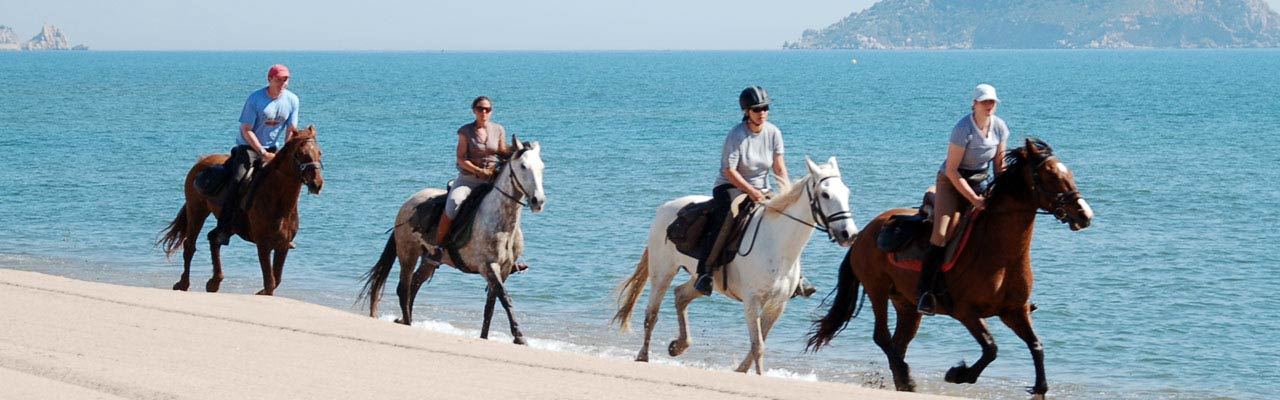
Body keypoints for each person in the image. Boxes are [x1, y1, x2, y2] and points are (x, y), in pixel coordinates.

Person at [693, 86, 801, 296]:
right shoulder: (737, 134)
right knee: (728, 216)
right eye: (756, 109)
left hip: (762, 188)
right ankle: (705, 272)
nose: (762, 113)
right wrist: (751, 191)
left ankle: (796, 276)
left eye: (765, 108)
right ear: (746, 112)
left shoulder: (773, 132)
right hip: (730, 186)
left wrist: (787, 194)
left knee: (788, 222)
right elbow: (729, 170)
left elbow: (779, 167)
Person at [917, 83, 1010, 315]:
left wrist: (1002, 195)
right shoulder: (963, 129)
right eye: (984, 102)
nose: (989, 106)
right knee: (941, 233)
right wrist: (975, 200)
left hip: (980, 181)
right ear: (974, 104)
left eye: (992, 102)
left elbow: (999, 167)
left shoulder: (999, 127)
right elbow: (952, 170)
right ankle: (925, 293)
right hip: (952, 181)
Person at [208, 64, 300, 246]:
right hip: (249, 149)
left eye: (285, 79)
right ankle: (224, 229)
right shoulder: (255, 99)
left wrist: (284, 153)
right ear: (270, 79)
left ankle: (284, 229)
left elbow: (291, 129)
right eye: (278, 79)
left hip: (275, 150)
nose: (282, 82)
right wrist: (261, 152)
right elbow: (246, 129)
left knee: (289, 182)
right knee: (237, 181)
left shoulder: (292, 100)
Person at [428, 96, 511, 261]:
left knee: (509, 207)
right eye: (480, 109)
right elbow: (461, 158)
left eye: (487, 109)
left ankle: (510, 254)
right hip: (469, 180)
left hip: (491, 181)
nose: (484, 112)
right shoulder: (465, 131)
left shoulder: (498, 129)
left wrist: (518, 151)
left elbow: (501, 150)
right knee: (454, 204)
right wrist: (479, 171)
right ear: (474, 110)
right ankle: (438, 248)